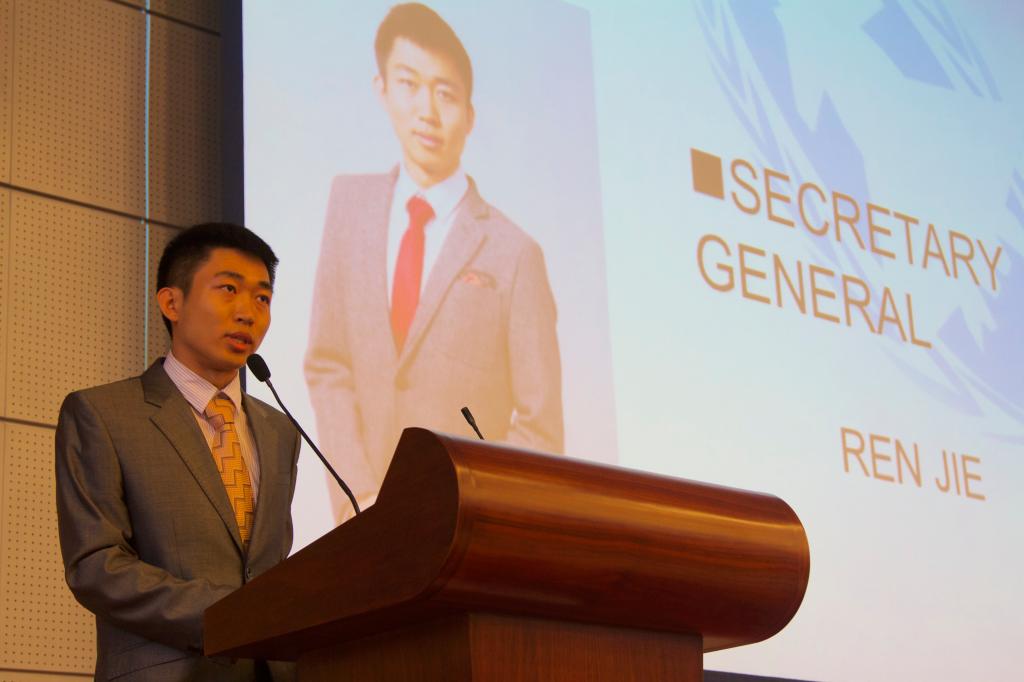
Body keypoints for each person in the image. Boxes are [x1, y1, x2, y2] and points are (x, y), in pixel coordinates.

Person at [305, 2, 564, 520]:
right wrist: (359, 495)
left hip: (461, 528)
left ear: (470, 115)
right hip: (360, 525)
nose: (427, 110)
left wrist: (464, 507)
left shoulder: (515, 253)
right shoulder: (348, 204)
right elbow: (328, 363)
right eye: (409, 84)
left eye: (445, 93)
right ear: (382, 89)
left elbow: (540, 429)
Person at [55, 223, 299, 681]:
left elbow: (269, 566)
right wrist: (231, 616)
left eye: (262, 298)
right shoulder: (103, 413)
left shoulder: (280, 430)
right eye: (229, 289)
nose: (248, 312)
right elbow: (97, 566)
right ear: (172, 303)